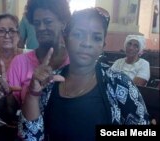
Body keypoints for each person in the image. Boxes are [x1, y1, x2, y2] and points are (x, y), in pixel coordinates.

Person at [19, 7, 150, 141]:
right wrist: (33, 95)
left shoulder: (119, 84)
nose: (87, 43)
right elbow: (30, 137)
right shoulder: (49, 83)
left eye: (96, 38)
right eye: (78, 34)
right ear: (65, 39)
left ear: (103, 45)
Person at [0, 0, 71, 107]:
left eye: (48, 21)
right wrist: (6, 93)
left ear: (63, 23)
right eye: (37, 23)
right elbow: (11, 112)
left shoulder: (74, 61)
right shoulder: (20, 62)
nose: (41, 28)